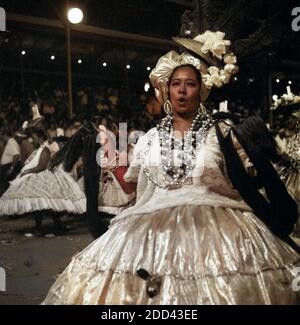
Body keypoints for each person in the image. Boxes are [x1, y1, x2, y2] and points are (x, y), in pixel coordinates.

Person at [43, 31, 299, 305]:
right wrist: (105, 155)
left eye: (190, 83)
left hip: (221, 235)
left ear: (201, 90)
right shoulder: (147, 140)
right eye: (176, 83)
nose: (182, 89)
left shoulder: (222, 133)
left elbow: (252, 179)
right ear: (166, 89)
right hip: (148, 235)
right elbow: (132, 190)